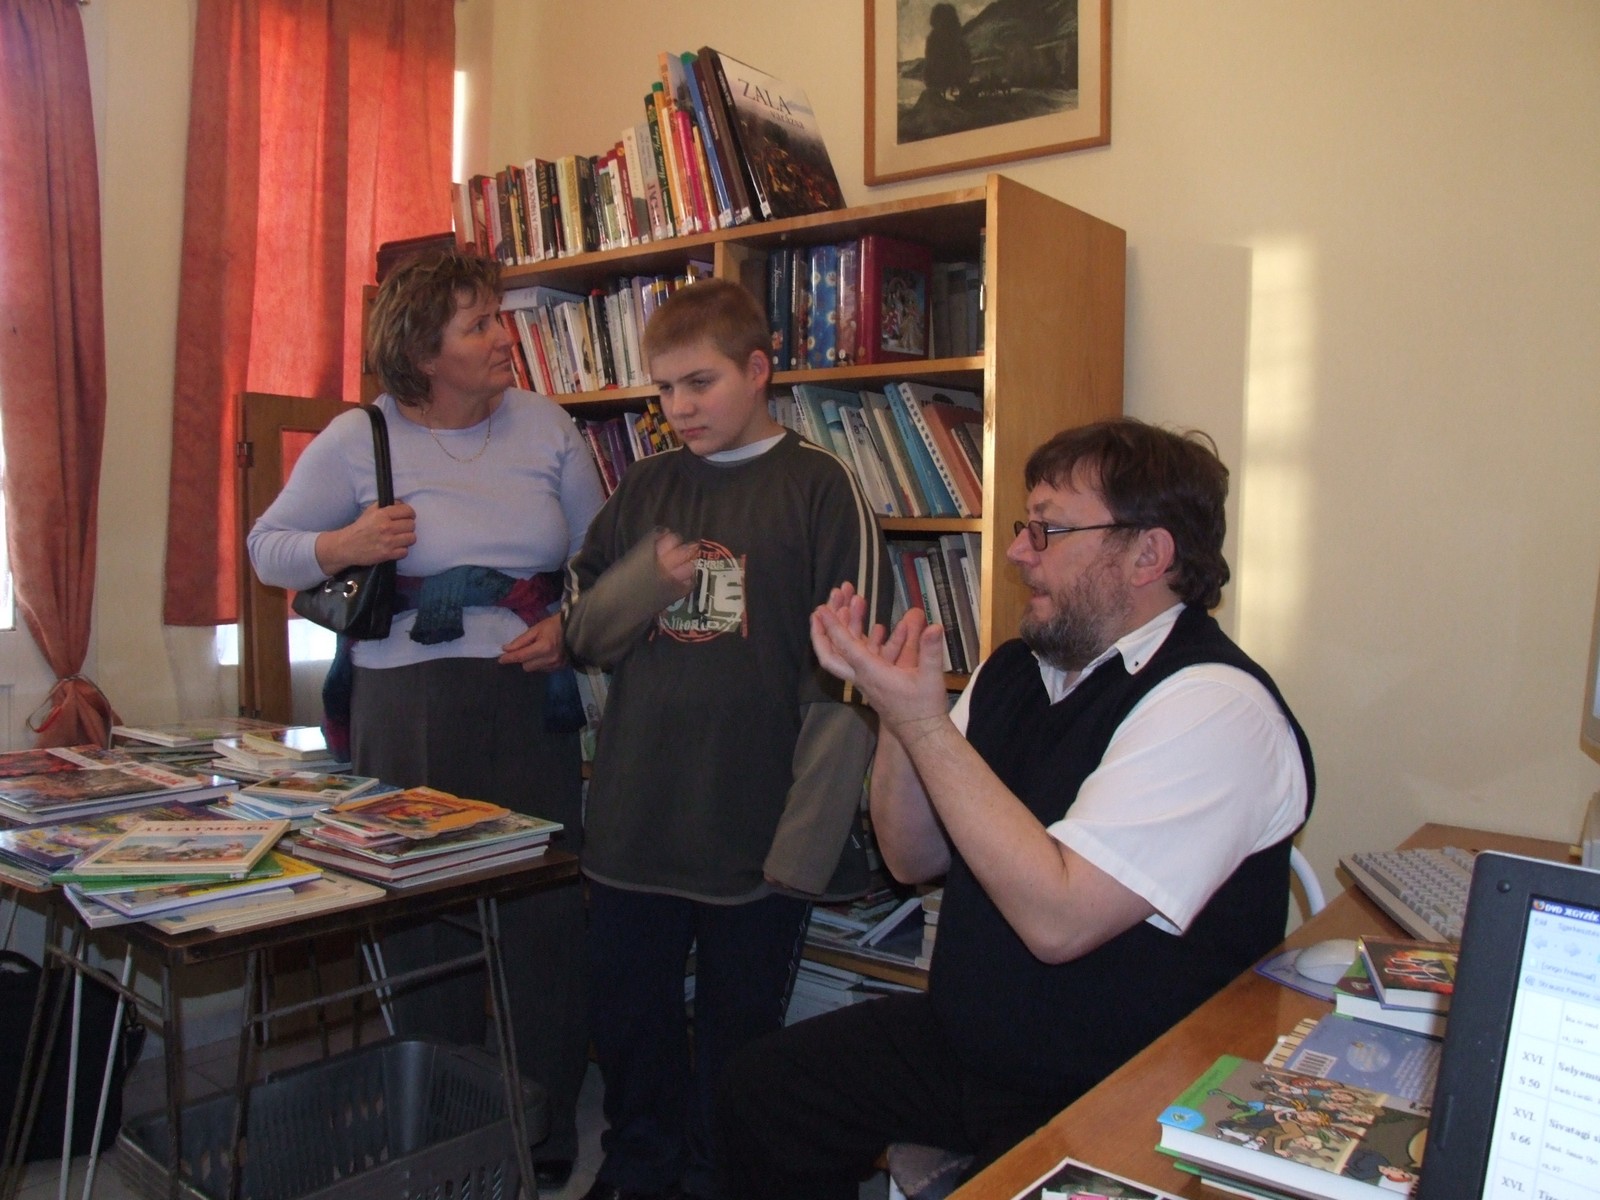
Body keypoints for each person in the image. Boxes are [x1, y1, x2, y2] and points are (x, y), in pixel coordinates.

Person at [717, 418, 1315, 1198]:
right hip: (976, 1044)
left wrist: (925, 724)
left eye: (1049, 529)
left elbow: (1060, 921)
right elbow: (911, 856)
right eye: (1024, 527)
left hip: (1129, 1081)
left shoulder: (1215, 707)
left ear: (1149, 555)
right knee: (762, 1093)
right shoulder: (1015, 670)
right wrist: (897, 715)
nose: (1018, 552)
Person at [247, 249, 605, 1192]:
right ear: (421, 350)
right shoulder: (357, 437)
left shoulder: (547, 426)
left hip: (528, 702)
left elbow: (597, 556)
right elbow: (267, 549)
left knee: (540, 918)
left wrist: (572, 627)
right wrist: (344, 542)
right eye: (478, 323)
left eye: (498, 316)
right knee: (423, 920)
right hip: (403, 707)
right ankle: (445, 1115)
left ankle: (542, 1119)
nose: (503, 336)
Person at [563, 277, 892, 1200]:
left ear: (758, 369)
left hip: (756, 833)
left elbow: (853, 679)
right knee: (631, 1022)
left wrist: (804, 848)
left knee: (738, 1043)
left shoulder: (821, 487)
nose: (679, 408)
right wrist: (645, 584)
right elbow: (582, 634)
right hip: (634, 824)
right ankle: (638, 1168)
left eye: (699, 383)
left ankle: (715, 1178)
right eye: (664, 389)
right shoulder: (648, 485)